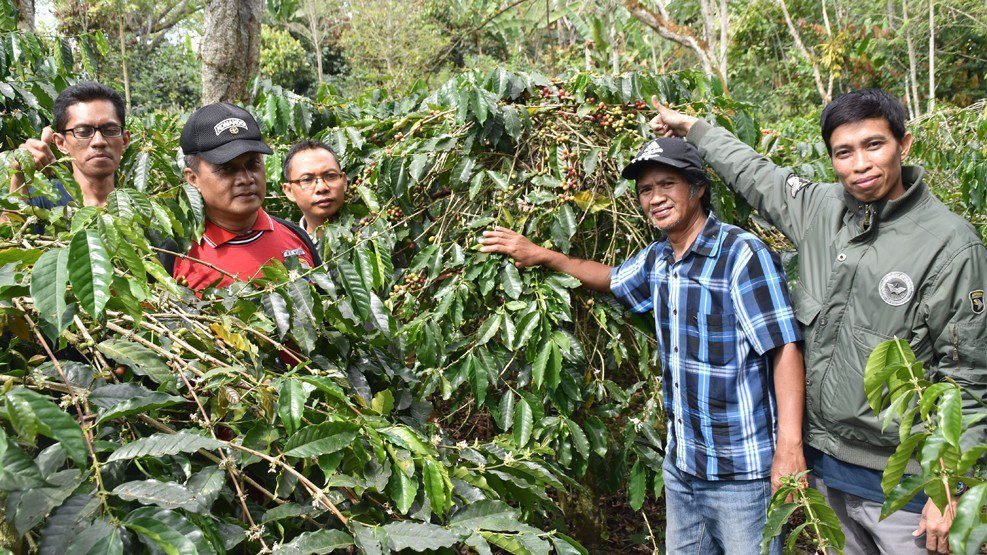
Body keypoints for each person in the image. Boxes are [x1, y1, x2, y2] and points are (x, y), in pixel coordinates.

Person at [649, 89, 986, 554]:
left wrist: (948, 485)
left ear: (903, 146)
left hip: (902, 485)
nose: (859, 164)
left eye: (874, 145)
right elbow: (754, 172)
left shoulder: (950, 245)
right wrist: (692, 128)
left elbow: (966, 376)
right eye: (843, 153)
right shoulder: (821, 210)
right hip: (825, 472)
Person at [479, 137, 806, 554]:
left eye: (667, 184)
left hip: (741, 473)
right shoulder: (659, 260)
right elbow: (612, 278)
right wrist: (544, 255)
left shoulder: (741, 255)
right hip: (684, 466)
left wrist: (790, 448)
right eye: (646, 190)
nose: (656, 198)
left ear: (698, 187)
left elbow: (784, 349)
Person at [167, 102, 320, 291]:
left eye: (253, 164)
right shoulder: (175, 252)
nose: (246, 179)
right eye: (227, 169)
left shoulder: (296, 236)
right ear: (193, 178)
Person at [8, 81, 130, 211]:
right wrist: (19, 180)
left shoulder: (140, 210)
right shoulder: (39, 202)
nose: (99, 141)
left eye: (111, 130)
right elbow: (8, 227)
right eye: (83, 132)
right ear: (61, 143)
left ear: (125, 140)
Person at [281, 140, 347, 242]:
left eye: (330, 176)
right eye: (307, 180)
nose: (321, 188)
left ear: (344, 182)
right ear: (289, 191)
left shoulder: (372, 234)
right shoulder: (286, 247)